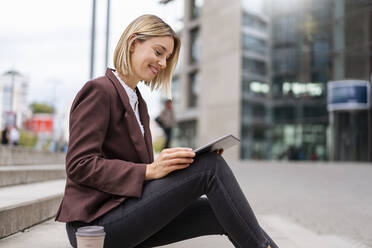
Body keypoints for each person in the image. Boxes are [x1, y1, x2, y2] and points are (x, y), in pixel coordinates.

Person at [56, 14, 278, 248]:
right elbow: (79, 165)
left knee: (217, 205)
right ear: (133, 44)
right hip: (95, 225)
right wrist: (150, 169)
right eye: (158, 52)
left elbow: (143, 173)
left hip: (122, 210)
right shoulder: (100, 90)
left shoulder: (138, 104)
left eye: (167, 57)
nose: (163, 63)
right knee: (210, 168)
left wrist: (179, 164)